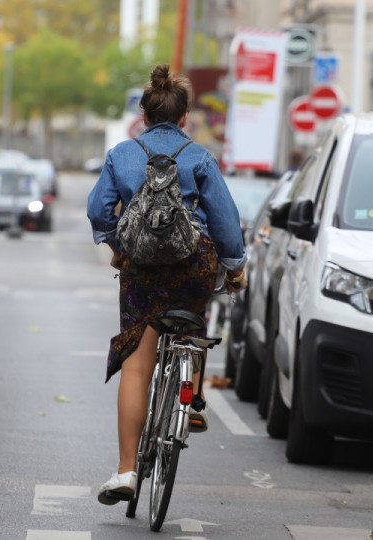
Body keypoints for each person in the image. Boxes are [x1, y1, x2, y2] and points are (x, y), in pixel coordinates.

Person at [87, 65, 248, 505]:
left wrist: (117, 243)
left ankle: (125, 472)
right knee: (191, 324)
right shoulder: (199, 156)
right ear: (185, 117)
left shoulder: (122, 153)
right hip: (190, 265)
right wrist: (234, 268)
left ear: (142, 115)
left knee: (138, 363)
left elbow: (99, 209)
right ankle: (191, 397)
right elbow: (226, 224)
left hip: (140, 267)